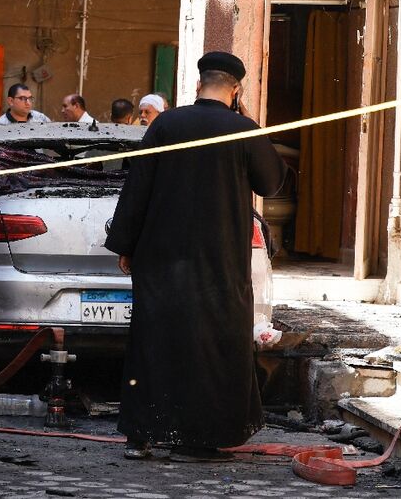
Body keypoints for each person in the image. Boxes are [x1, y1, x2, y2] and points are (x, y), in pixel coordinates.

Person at [105, 52, 286, 462]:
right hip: (218, 260)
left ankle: (140, 436)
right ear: (236, 89)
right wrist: (250, 123)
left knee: (154, 340)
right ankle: (199, 440)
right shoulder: (242, 129)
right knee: (212, 343)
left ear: (198, 83)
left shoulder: (166, 124)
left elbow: (138, 186)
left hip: (160, 254)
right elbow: (272, 182)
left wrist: (126, 245)